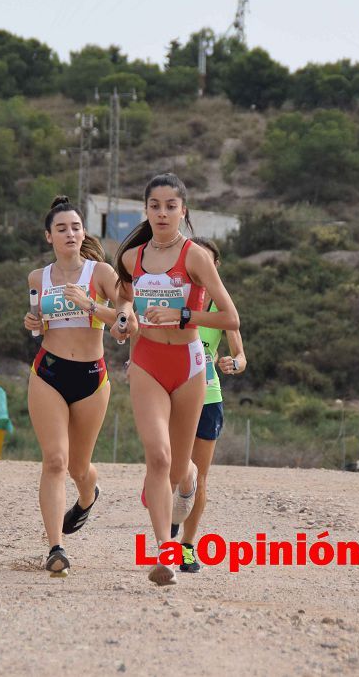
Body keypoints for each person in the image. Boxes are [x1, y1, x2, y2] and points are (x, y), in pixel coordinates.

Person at [111, 173, 240, 586]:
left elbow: (230, 318)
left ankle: (186, 483)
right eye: (155, 205)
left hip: (190, 363)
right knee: (159, 457)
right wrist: (123, 321)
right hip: (147, 360)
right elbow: (125, 306)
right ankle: (165, 553)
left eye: (171, 205)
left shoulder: (196, 257)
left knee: (180, 469)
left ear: (184, 210)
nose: (163, 212)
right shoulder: (132, 258)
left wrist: (185, 315)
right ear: (145, 210)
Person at [23, 195, 121, 578]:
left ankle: (87, 495)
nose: (70, 233)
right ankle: (55, 548)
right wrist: (33, 324)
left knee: (80, 467)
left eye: (76, 227)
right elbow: (38, 320)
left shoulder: (100, 274)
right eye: (61, 228)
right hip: (47, 372)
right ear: (49, 236)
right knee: (55, 461)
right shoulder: (37, 278)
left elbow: (127, 318)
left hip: (91, 378)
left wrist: (90, 305)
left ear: (84, 233)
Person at [175, 238, 247, 573]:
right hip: (171, 396)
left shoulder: (222, 307)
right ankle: (168, 532)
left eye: (204, 259)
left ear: (214, 266)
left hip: (208, 397)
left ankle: (187, 547)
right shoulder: (172, 298)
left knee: (199, 477)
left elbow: (240, 353)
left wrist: (235, 362)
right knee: (171, 472)